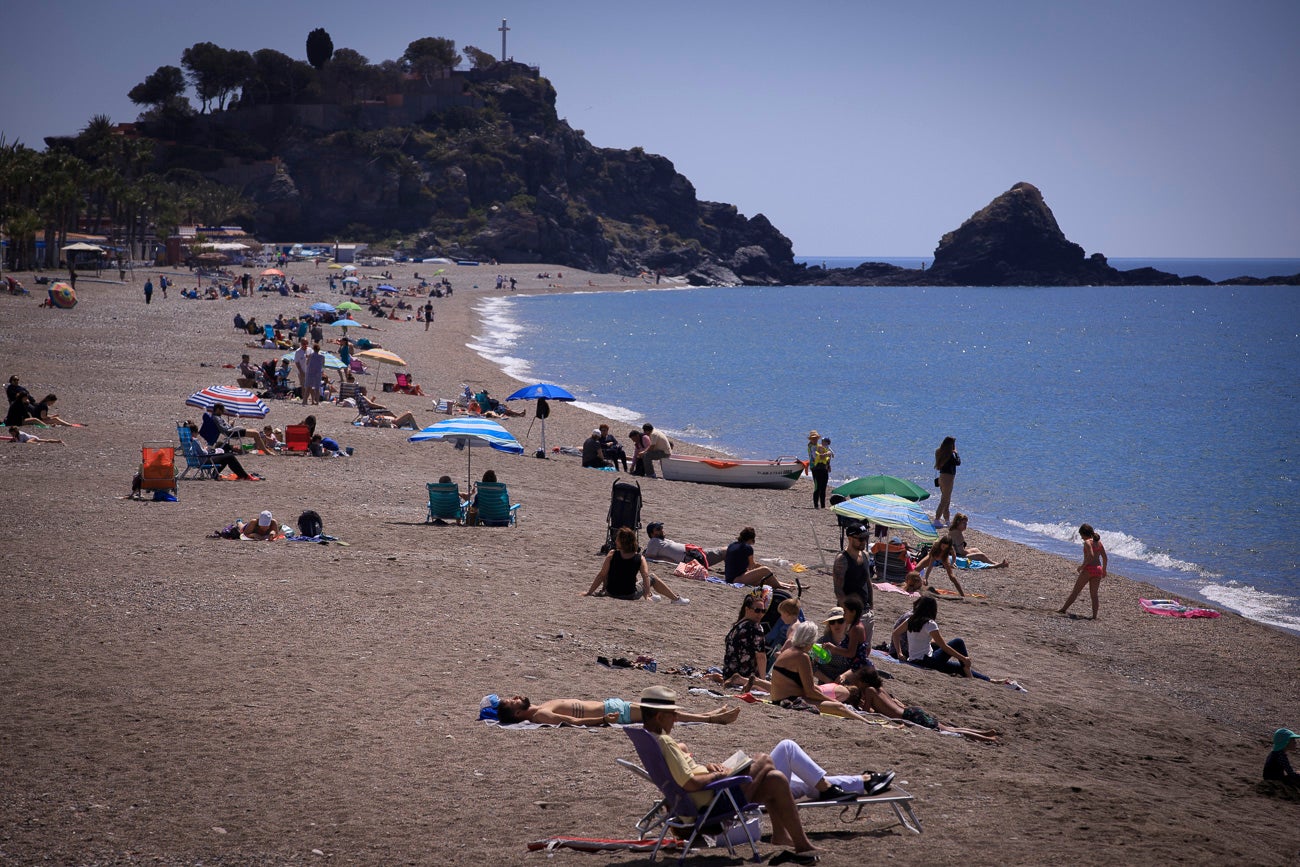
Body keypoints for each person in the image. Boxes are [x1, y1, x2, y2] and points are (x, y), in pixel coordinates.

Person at [637, 685, 823, 864]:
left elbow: (684, 775)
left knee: (776, 779)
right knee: (764, 759)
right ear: (660, 716)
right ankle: (796, 840)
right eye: (673, 714)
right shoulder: (666, 742)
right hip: (712, 804)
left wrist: (707, 767)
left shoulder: (648, 739)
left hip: (696, 802)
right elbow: (690, 783)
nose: (676, 719)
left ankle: (790, 839)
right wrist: (719, 777)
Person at [845, 667, 1000, 742]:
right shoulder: (880, 688)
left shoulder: (869, 691)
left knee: (948, 730)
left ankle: (987, 738)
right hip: (911, 711)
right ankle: (984, 733)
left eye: (858, 681)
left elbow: (868, 712)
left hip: (908, 716)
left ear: (864, 682)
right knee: (949, 728)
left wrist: (857, 705)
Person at [770, 622, 874, 724]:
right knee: (839, 707)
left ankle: (866, 721)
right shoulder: (802, 657)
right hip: (788, 701)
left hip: (779, 698)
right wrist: (833, 701)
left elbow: (804, 685)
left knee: (824, 694)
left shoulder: (789, 651)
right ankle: (867, 723)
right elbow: (810, 692)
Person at [487, 692, 739, 726]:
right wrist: (603, 720)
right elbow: (572, 722)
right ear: (518, 713)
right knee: (662, 711)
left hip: (612, 705)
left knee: (660, 706)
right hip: (615, 712)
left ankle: (710, 714)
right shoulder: (540, 715)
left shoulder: (540, 707)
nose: (517, 697)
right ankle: (711, 718)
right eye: (513, 701)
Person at [890, 595, 991, 681]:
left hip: (915, 660)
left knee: (956, 667)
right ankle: (969, 674)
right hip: (928, 662)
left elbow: (895, 633)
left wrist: (900, 653)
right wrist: (963, 658)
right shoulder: (930, 624)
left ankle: (988, 679)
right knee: (958, 642)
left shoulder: (910, 620)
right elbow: (944, 646)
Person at [582, 527, 689, 603]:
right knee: (652, 577)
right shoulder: (639, 558)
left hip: (611, 592)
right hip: (629, 594)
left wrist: (589, 592)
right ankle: (675, 599)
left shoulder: (612, 554)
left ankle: (653, 595)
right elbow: (645, 576)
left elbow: (601, 575)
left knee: (608, 570)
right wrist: (646, 595)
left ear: (620, 542)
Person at [715, 591, 772, 689]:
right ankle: (740, 680)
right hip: (745, 674)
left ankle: (720, 678)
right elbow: (761, 656)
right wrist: (763, 681)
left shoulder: (737, 625)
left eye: (763, 611)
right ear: (747, 609)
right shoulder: (755, 628)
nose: (760, 614)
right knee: (774, 689)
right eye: (757, 610)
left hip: (728, 672)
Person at [814, 598, 871, 682]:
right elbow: (811, 666)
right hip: (826, 683)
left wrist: (844, 676)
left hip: (847, 682)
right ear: (829, 625)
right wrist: (828, 681)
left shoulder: (853, 636)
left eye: (840, 621)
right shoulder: (822, 641)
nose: (836, 624)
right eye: (832, 622)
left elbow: (857, 662)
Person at [1058, 523, 1108, 619]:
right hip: (1098, 570)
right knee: (1094, 595)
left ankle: (1063, 609)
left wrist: (1082, 566)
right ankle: (1094, 616)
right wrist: (1104, 570)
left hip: (1088, 569)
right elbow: (1105, 558)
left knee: (1076, 591)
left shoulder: (1087, 542)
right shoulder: (1099, 543)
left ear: (1084, 534)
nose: (1081, 538)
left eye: (1081, 535)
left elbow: (1091, 555)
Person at [725, 528, 796, 591]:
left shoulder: (732, 545)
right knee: (765, 570)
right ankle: (784, 587)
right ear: (750, 539)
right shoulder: (747, 548)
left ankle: (789, 585)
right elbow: (751, 565)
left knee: (765, 580)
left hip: (729, 577)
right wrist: (760, 567)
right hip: (736, 579)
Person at [183, 421, 259, 479]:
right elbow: (203, 453)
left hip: (198, 460)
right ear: (193, 432)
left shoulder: (187, 440)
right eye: (197, 433)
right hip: (204, 460)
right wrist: (208, 450)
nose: (197, 434)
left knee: (225, 455)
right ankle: (244, 476)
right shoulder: (194, 440)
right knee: (229, 456)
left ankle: (216, 474)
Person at [643, 522, 727, 568]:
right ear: (652, 534)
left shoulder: (660, 541)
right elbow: (650, 558)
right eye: (658, 529)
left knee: (725, 550)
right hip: (691, 558)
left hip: (694, 553)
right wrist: (668, 560)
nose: (662, 530)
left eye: (661, 528)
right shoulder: (654, 541)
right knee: (726, 550)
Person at [206, 404, 276, 454]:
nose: (223, 412)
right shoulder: (216, 418)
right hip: (231, 432)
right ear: (218, 409)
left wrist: (230, 424)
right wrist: (230, 426)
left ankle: (262, 447)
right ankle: (266, 451)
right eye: (222, 410)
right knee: (256, 433)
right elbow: (224, 429)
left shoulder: (216, 417)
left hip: (231, 431)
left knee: (255, 431)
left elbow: (223, 427)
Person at [833, 523, 872, 607]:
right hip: (849, 611)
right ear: (850, 538)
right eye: (861, 539)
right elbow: (838, 590)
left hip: (865, 609)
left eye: (866, 538)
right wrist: (848, 613)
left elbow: (868, 582)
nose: (864, 542)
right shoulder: (842, 559)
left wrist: (871, 606)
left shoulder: (866, 555)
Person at [933, 436, 960, 528]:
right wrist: (956, 453)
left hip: (942, 477)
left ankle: (947, 520)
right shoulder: (950, 455)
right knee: (945, 500)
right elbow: (958, 462)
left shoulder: (939, 452)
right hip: (948, 478)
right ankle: (937, 519)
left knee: (946, 499)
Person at [810, 436, 833, 509]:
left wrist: (827, 455)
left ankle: (823, 505)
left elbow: (831, 454)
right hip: (816, 469)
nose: (823, 443)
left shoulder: (827, 448)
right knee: (818, 487)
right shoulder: (813, 447)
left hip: (824, 469)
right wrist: (824, 454)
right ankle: (816, 505)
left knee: (823, 487)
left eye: (825, 442)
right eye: (823, 441)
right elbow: (817, 456)